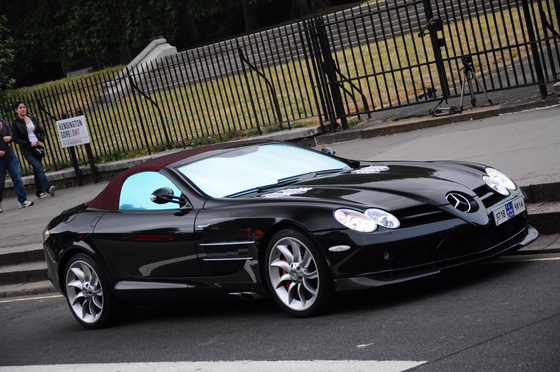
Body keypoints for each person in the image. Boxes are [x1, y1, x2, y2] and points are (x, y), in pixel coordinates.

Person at [11, 101, 56, 199]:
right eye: (20, 107)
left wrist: (41, 140)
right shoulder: (15, 123)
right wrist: (28, 143)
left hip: (37, 148)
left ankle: (39, 192)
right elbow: (15, 138)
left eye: (24, 107)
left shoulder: (32, 118)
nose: (23, 109)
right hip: (27, 149)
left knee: (37, 170)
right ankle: (48, 188)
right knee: (39, 167)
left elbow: (41, 130)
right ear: (16, 110)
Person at [0, 118, 34, 212]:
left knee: (17, 178)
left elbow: (11, 135)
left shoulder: (3, 122)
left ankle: (22, 200)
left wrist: (10, 138)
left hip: (10, 155)